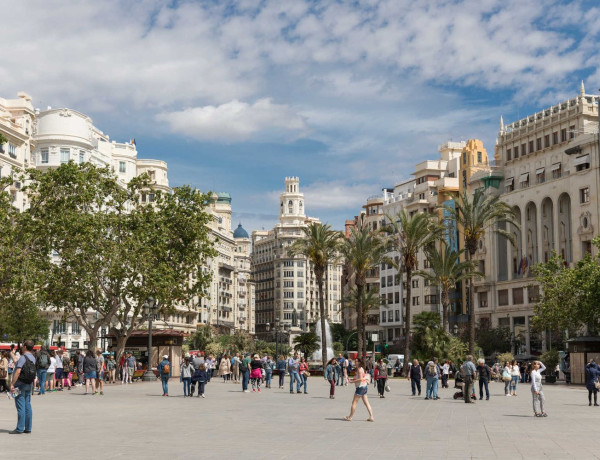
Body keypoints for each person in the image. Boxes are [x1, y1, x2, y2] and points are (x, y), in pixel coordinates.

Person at [9, 340, 36, 434]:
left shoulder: (23, 357)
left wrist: (12, 383)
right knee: (27, 405)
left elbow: (18, 371)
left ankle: (19, 428)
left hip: (20, 384)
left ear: (24, 346)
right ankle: (28, 428)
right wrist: (12, 355)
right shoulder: (32, 357)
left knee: (20, 406)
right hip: (29, 383)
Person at [344, 358, 374, 422]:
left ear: (359, 362)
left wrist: (353, 381)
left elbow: (360, 379)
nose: (355, 362)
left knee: (354, 402)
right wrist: (352, 379)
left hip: (360, 387)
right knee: (366, 403)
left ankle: (350, 417)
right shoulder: (360, 369)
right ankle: (371, 416)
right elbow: (359, 377)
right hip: (364, 387)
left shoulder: (359, 369)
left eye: (357, 361)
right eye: (355, 361)